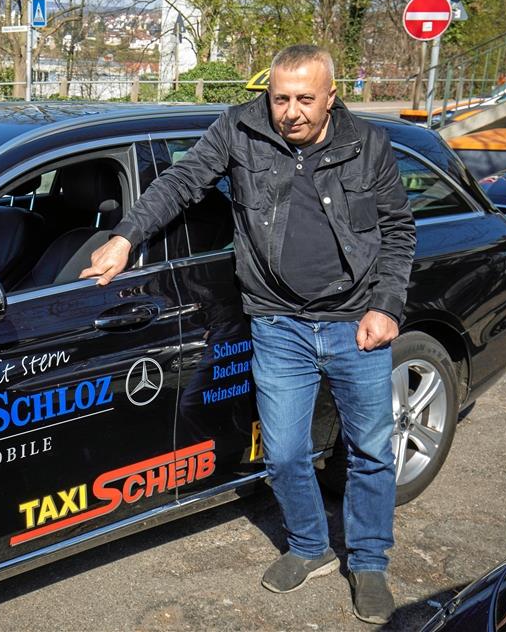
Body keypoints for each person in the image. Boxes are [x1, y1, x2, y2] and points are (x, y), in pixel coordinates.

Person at [82, 44, 415, 625]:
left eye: (305, 99)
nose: (291, 112)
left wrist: (386, 306)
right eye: (281, 98)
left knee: (368, 451)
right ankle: (310, 545)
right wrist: (125, 236)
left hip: (354, 319)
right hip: (278, 322)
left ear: (330, 97)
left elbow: (397, 231)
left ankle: (367, 561)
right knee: (285, 453)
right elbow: (182, 181)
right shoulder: (240, 128)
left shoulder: (369, 144)